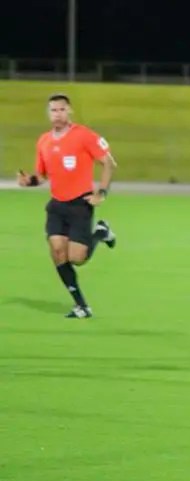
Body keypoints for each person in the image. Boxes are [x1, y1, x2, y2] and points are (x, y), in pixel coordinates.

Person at [16, 93, 118, 318]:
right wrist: (29, 182)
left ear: (69, 111)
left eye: (62, 110)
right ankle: (81, 305)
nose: (58, 114)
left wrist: (102, 192)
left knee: (77, 258)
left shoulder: (83, 136)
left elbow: (109, 163)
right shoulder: (43, 141)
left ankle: (101, 232)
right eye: (53, 110)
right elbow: (42, 175)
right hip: (57, 206)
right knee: (57, 253)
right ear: (48, 113)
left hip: (79, 204)